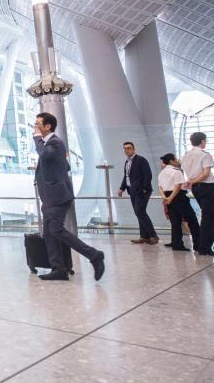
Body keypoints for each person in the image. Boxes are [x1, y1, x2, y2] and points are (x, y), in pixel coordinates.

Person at [32, 112, 105, 281]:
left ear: (47, 126)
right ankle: (59, 269)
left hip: (57, 197)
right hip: (49, 196)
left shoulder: (55, 142)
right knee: (49, 234)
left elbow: (45, 155)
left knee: (56, 230)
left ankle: (94, 255)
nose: (35, 128)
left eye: (37, 124)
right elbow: (66, 166)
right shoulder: (51, 144)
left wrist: (37, 139)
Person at [181, 132, 214, 256]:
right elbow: (205, 174)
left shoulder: (185, 156)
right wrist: (193, 181)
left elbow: (188, 173)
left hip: (196, 188)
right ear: (202, 141)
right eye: (205, 140)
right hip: (206, 187)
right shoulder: (205, 155)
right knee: (208, 217)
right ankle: (204, 247)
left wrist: (192, 181)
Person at [158, 154, 201, 252]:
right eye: (176, 159)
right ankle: (198, 245)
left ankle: (177, 244)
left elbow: (160, 187)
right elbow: (177, 186)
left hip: (168, 196)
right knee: (192, 220)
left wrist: (165, 197)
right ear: (171, 161)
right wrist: (171, 198)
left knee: (175, 222)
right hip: (178, 197)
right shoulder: (176, 171)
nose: (177, 161)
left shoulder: (161, 173)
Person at [117, 142, 158, 245]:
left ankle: (153, 236)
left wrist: (144, 188)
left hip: (142, 191)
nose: (127, 150)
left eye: (129, 148)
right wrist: (121, 188)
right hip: (132, 191)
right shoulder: (127, 162)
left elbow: (148, 175)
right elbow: (126, 177)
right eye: (125, 148)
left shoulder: (141, 160)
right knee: (138, 213)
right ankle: (144, 237)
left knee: (140, 212)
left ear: (134, 149)